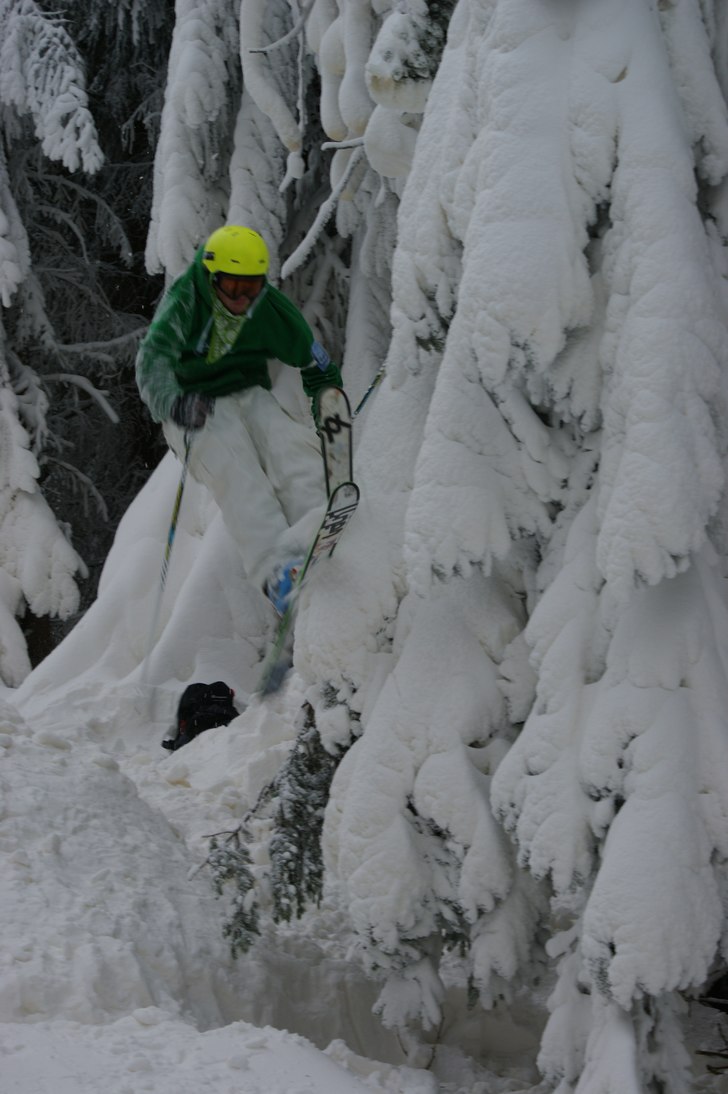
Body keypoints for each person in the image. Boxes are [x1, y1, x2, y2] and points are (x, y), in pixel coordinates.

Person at [135, 225, 342, 611]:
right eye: (231, 288)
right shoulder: (186, 301)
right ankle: (277, 571)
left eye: (250, 289)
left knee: (291, 449)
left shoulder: (267, 307)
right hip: (193, 406)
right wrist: (174, 401)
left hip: (248, 391)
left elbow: (316, 362)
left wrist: (328, 405)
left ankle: (316, 535)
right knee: (240, 474)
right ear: (211, 277)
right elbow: (151, 363)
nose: (241, 299)